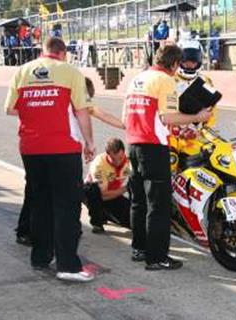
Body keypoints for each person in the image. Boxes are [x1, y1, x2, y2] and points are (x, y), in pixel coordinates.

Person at [4, 37, 96, 282]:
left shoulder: (22, 72)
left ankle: (40, 257)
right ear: (63, 53)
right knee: (67, 205)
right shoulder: (70, 72)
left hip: (31, 147)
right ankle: (68, 265)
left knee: (40, 202)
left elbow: (10, 108)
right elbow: (81, 112)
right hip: (62, 147)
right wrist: (89, 143)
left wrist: (37, 109)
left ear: (43, 51)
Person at [122, 44, 212, 271]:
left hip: (133, 144)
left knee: (139, 201)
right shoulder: (166, 81)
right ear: (173, 64)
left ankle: (139, 249)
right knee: (159, 205)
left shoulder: (137, 79)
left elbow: (125, 115)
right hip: (153, 146)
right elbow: (169, 117)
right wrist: (197, 116)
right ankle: (157, 257)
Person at [14, 76, 125, 245]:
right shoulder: (67, 103)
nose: (87, 102)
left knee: (39, 190)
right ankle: (34, 231)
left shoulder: (68, 102)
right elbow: (102, 116)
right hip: (52, 152)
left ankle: (33, 230)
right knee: (48, 192)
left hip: (43, 150)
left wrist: (125, 126)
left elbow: (103, 115)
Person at [170, 38, 218, 168]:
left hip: (193, 136)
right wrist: (177, 129)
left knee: (207, 162)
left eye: (194, 59)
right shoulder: (169, 78)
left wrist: (198, 129)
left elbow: (211, 111)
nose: (190, 64)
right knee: (170, 162)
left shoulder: (206, 81)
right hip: (170, 135)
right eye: (185, 60)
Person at [84, 138, 131, 233]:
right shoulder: (99, 164)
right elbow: (102, 196)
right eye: (113, 159)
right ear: (107, 154)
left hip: (114, 194)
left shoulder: (129, 162)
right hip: (96, 196)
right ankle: (97, 222)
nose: (117, 162)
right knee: (92, 189)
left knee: (134, 220)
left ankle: (106, 214)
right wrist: (126, 188)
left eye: (120, 158)